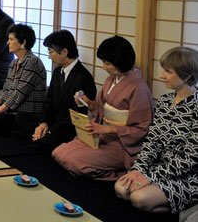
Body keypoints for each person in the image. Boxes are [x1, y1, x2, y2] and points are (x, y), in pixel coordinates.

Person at [52, 35, 154, 181]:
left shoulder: (139, 88)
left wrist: (108, 129)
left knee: (74, 161)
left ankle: (118, 174)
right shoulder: (110, 80)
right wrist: (89, 103)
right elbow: (100, 108)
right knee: (58, 153)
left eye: (107, 63)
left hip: (121, 144)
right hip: (102, 137)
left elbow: (142, 128)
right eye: (104, 63)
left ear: (121, 62)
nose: (104, 67)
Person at [115, 46, 198, 215]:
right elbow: (152, 141)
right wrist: (139, 170)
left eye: (168, 72)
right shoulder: (165, 101)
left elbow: (191, 158)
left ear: (187, 76)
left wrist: (150, 177)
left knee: (139, 198)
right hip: (158, 166)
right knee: (121, 188)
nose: (162, 76)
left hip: (187, 175)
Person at [26, 30, 97, 152]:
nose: (49, 56)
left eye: (51, 51)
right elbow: (48, 100)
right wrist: (43, 123)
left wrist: (50, 131)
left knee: (37, 143)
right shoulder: (57, 72)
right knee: (21, 118)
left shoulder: (83, 77)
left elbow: (78, 115)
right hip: (52, 122)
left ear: (64, 52)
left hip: (67, 128)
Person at [0, 24, 47, 136]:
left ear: (23, 42)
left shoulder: (32, 62)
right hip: (11, 109)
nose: (7, 43)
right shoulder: (14, 63)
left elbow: (19, 93)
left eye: (11, 39)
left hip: (26, 114)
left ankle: (19, 131)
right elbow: (6, 91)